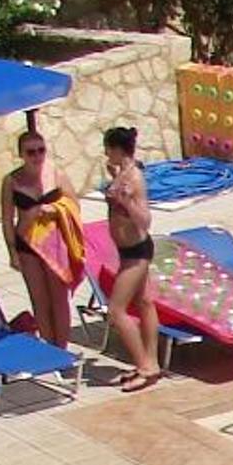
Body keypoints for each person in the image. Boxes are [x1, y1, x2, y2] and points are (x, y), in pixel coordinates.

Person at [0, 128, 86, 347]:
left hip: (54, 243)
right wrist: (12, 252)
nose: (37, 156)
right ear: (21, 154)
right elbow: (7, 219)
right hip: (27, 245)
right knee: (39, 300)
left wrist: (55, 209)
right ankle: (50, 349)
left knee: (60, 299)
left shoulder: (56, 174)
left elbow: (74, 205)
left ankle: (62, 348)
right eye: (31, 152)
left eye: (41, 150)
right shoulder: (11, 181)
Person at [99, 125, 164, 391]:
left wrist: (126, 202)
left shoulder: (134, 178)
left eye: (108, 149)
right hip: (127, 250)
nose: (105, 153)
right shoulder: (123, 173)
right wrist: (115, 178)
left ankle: (144, 366)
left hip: (136, 253)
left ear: (117, 149)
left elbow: (145, 220)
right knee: (145, 302)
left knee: (116, 311)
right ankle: (152, 364)